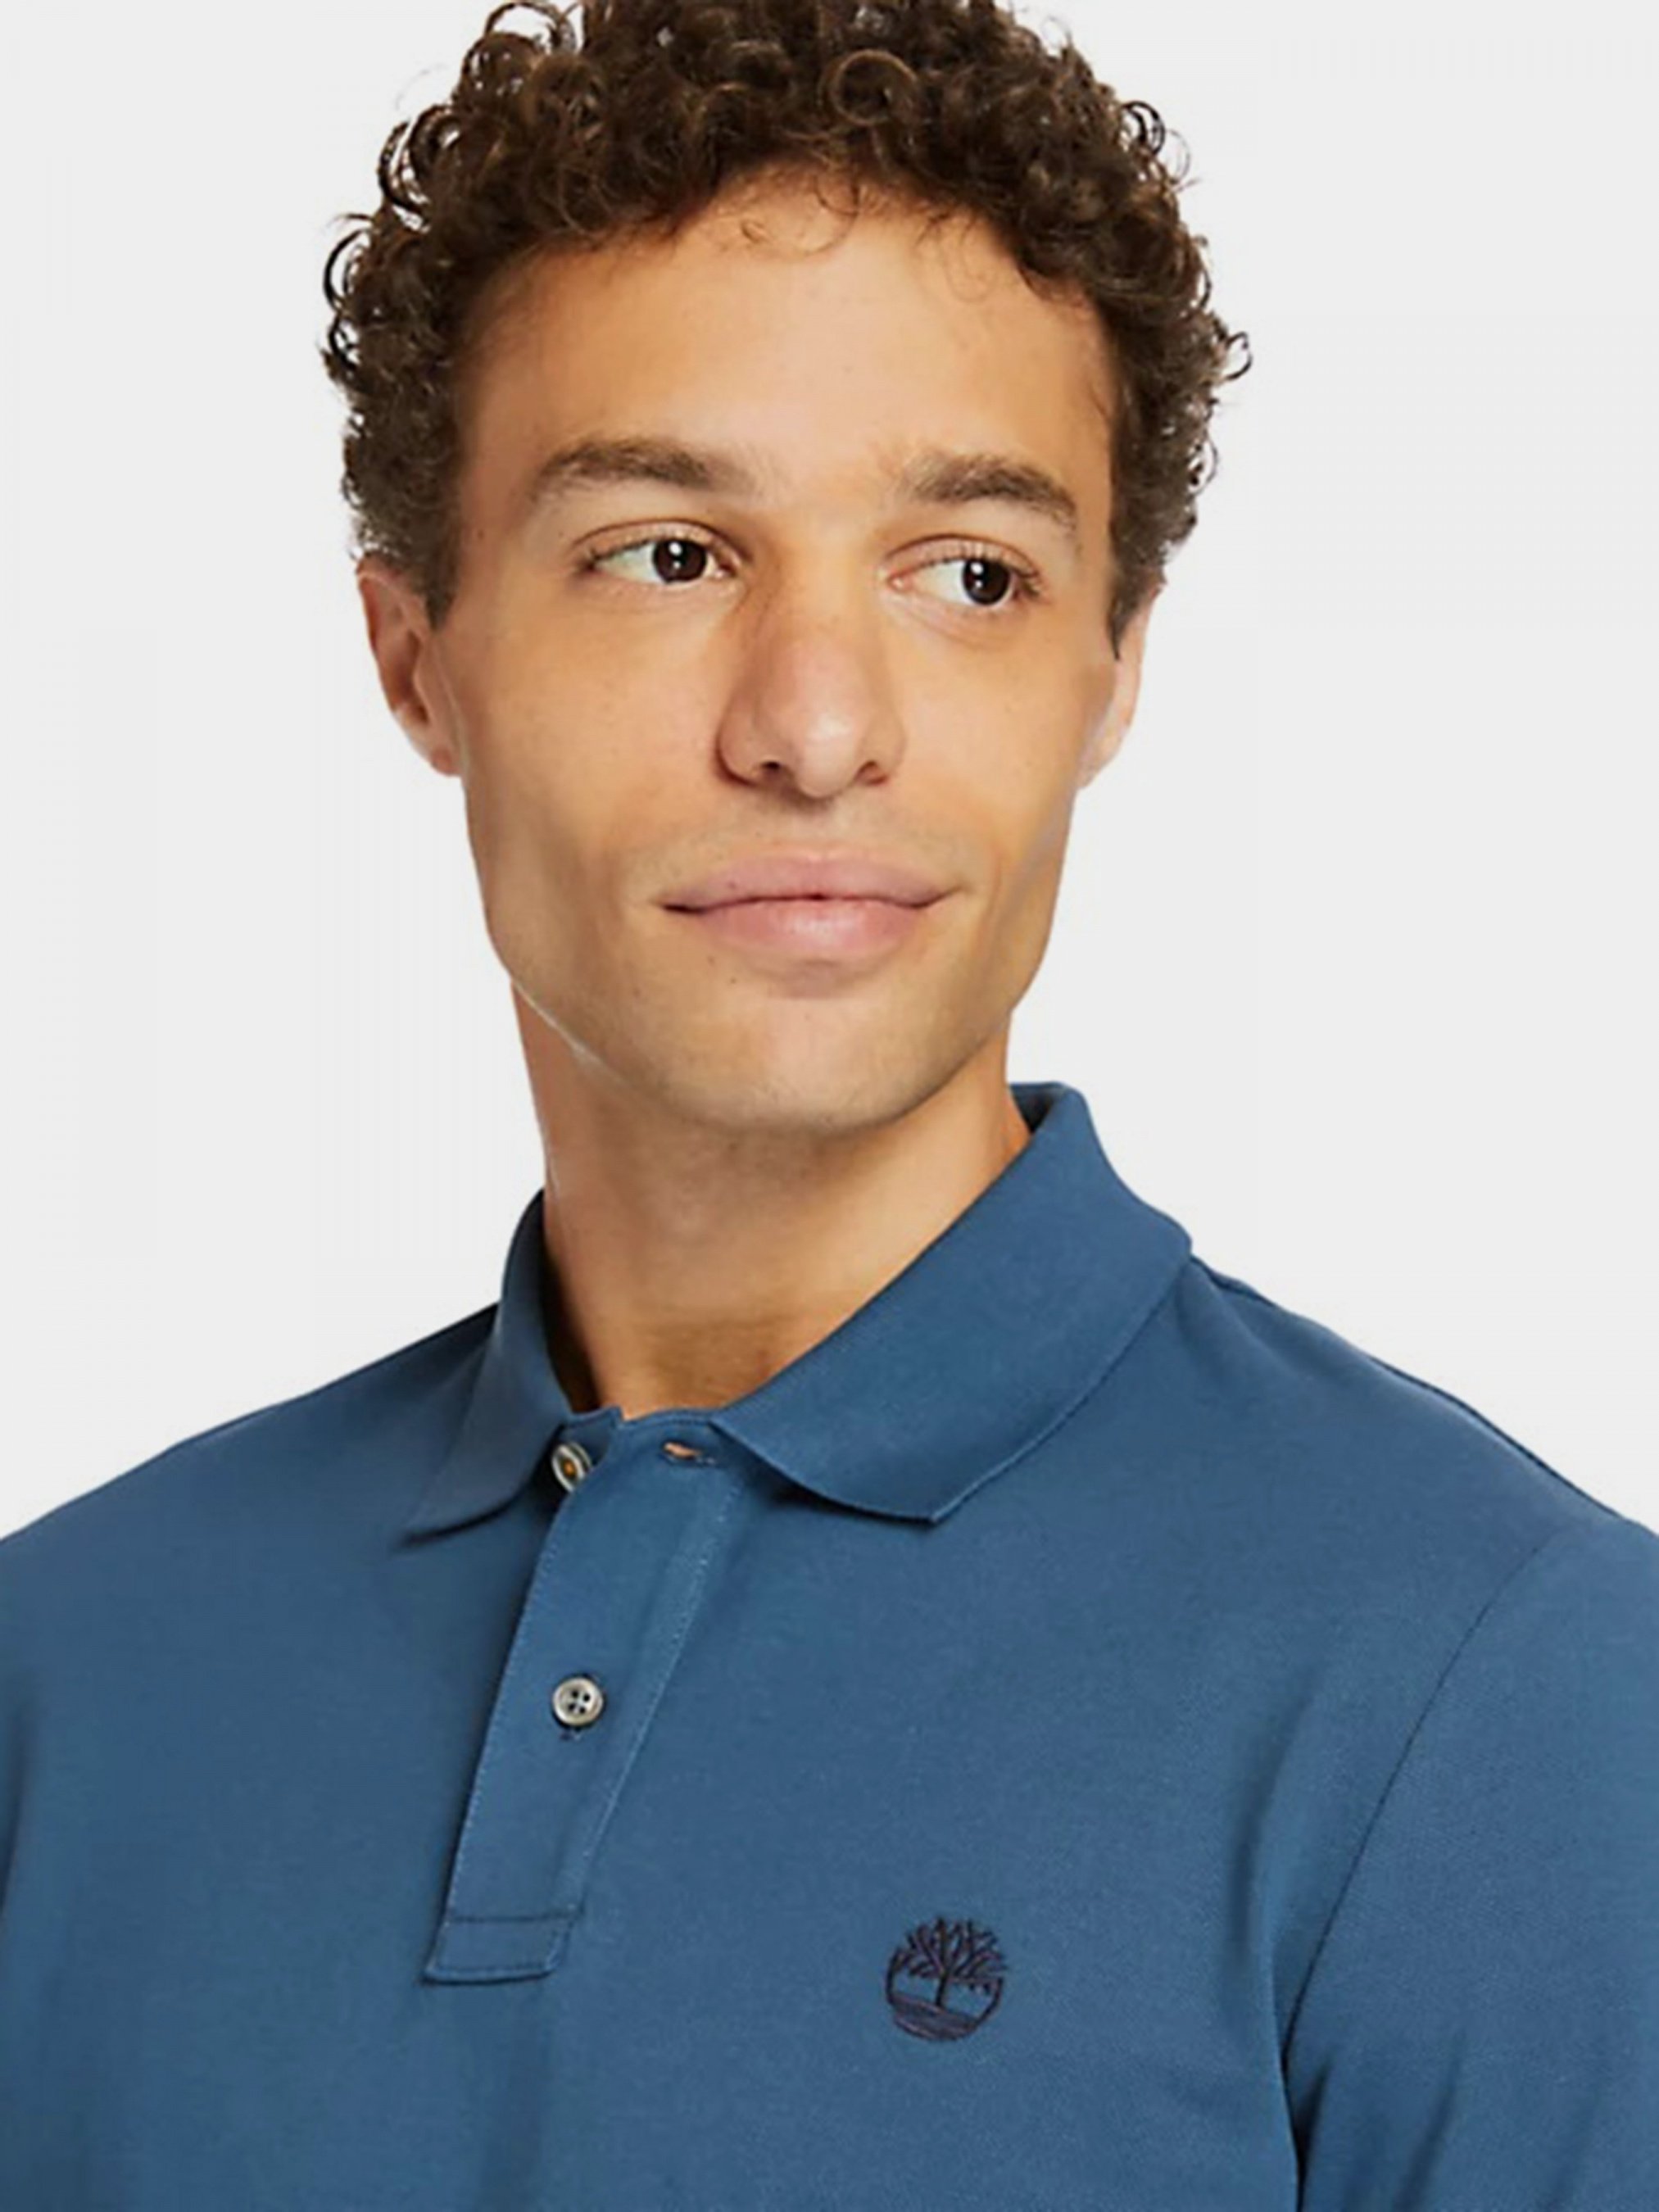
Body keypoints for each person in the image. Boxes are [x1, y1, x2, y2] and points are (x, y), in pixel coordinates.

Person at [2, 0, 1654, 2201]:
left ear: (1111, 670)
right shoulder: (65, 1667)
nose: (813, 725)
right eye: (668, 551)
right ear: (418, 657)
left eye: (969, 574)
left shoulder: (1510, 1688)